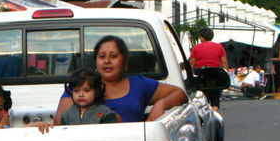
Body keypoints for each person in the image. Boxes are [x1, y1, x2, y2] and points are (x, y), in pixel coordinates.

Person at [54, 35, 187, 124]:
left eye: (113, 56)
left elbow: (180, 94)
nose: (107, 61)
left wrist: (160, 105)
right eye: (101, 56)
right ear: (96, 61)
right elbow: (60, 122)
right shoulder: (81, 86)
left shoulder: (139, 84)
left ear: (124, 61)